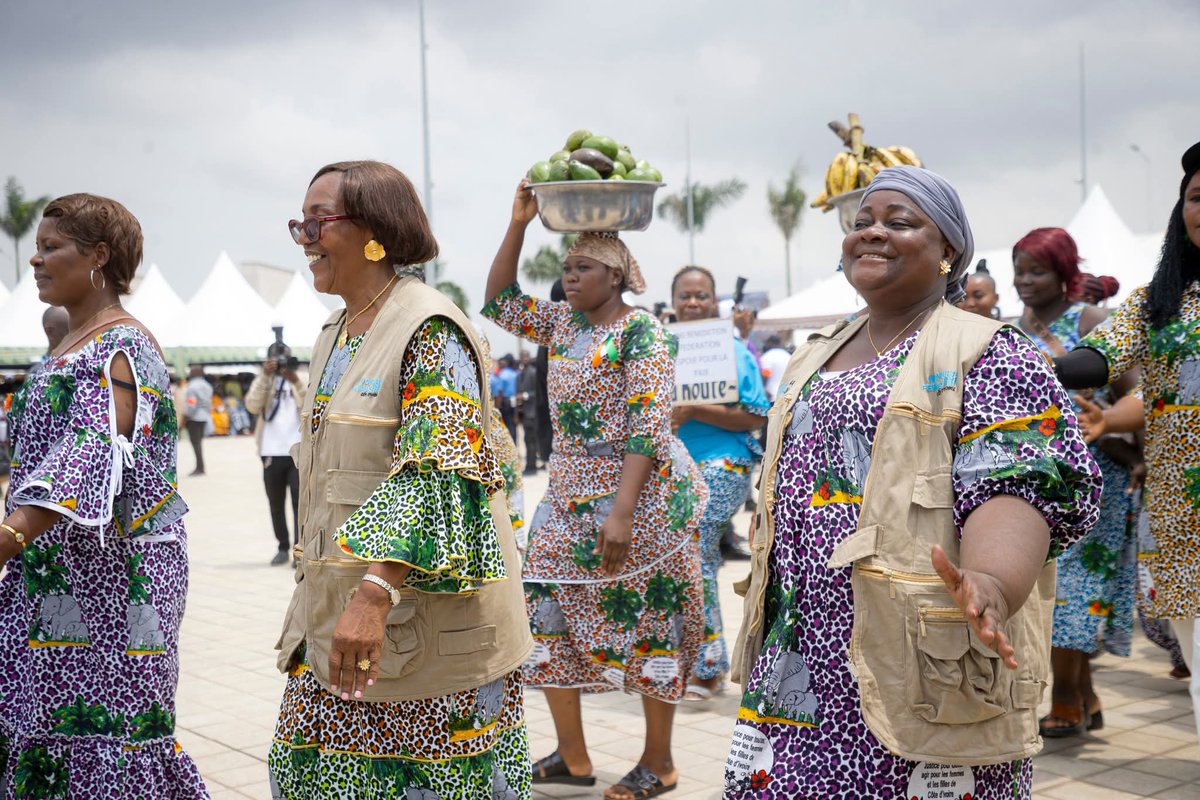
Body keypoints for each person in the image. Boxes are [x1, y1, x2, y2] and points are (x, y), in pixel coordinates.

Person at [726, 166, 1101, 799]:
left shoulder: (986, 351)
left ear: (948, 250)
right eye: (862, 222)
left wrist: (990, 579)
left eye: (899, 223)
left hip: (916, 652)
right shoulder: (817, 349)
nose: (872, 233)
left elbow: (1021, 478)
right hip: (801, 649)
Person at [268, 160, 532, 799]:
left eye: (318, 221)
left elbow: (439, 471)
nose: (304, 237)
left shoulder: (430, 328)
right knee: (307, 777)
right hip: (334, 622)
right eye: (299, 222)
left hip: (410, 626)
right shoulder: (335, 330)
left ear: (375, 231)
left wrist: (374, 595)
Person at [483, 181, 706, 800]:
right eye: (567, 267)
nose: (570, 278)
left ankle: (659, 762)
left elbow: (647, 422)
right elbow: (499, 302)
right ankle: (574, 756)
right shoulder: (563, 325)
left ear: (615, 276)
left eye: (583, 268)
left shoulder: (644, 335)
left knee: (652, 616)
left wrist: (622, 513)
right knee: (548, 614)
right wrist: (520, 223)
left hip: (639, 498)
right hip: (568, 493)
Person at [0, 193, 207, 796]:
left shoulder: (124, 347)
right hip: (56, 573)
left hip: (114, 587)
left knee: (106, 743)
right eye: (35, 248)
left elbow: (90, 452)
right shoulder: (72, 341)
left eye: (50, 248)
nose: (36, 261)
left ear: (99, 256)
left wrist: (7, 537)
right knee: (46, 732)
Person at [1055, 140, 1200, 742]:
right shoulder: (1161, 301)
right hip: (1182, 515)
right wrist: (1016, 364)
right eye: (1196, 197)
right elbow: (1099, 360)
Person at [1009, 226, 1135, 738]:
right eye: (1019, 271)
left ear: (1064, 272)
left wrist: (1106, 423)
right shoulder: (1015, 327)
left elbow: (1135, 391)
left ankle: (1064, 700)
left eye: (1036, 271)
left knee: (1073, 593)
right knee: (1054, 590)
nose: (1024, 281)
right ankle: (1085, 697)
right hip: (1039, 478)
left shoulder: (1092, 321)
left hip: (1096, 477)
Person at [670, 266, 769, 703]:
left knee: (694, 552)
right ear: (673, 302)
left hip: (722, 465)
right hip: (671, 468)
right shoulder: (658, 350)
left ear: (715, 302)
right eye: (685, 296)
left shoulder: (733, 351)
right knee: (684, 562)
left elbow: (755, 415)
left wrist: (694, 411)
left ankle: (708, 668)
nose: (693, 303)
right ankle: (688, 659)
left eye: (702, 296)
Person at [244, 343, 305, 566]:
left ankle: (300, 551)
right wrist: (265, 377)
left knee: (301, 504)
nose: (280, 365)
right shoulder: (264, 381)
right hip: (270, 450)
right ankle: (282, 547)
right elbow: (252, 405)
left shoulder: (301, 378)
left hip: (297, 450)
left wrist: (295, 380)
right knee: (276, 503)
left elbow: (312, 402)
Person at [183, 364, 212, 475]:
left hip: (194, 417)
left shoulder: (192, 387)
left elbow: (192, 404)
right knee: (199, 442)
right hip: (204, 416)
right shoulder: (207, 386)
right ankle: (201, 466)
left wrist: (188, 415)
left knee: (196, 444)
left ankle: (200, 467)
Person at [517, 350, 540, 474]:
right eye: (522, 357)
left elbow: (538, 393)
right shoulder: (521, 373)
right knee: (526, 440)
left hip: (532, 413)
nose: (524, 359)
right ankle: (529, 465)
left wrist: (525, 396)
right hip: (525, 413)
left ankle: (533, 466)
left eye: (526, 357)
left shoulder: (533, 372)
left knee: (532, 441)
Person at [758, 334, 792, 403]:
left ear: (770, 343)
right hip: (788, 396)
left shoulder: (767, 357)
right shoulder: (788, 356)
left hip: (772, 396)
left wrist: (762, 389)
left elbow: (766, 374)